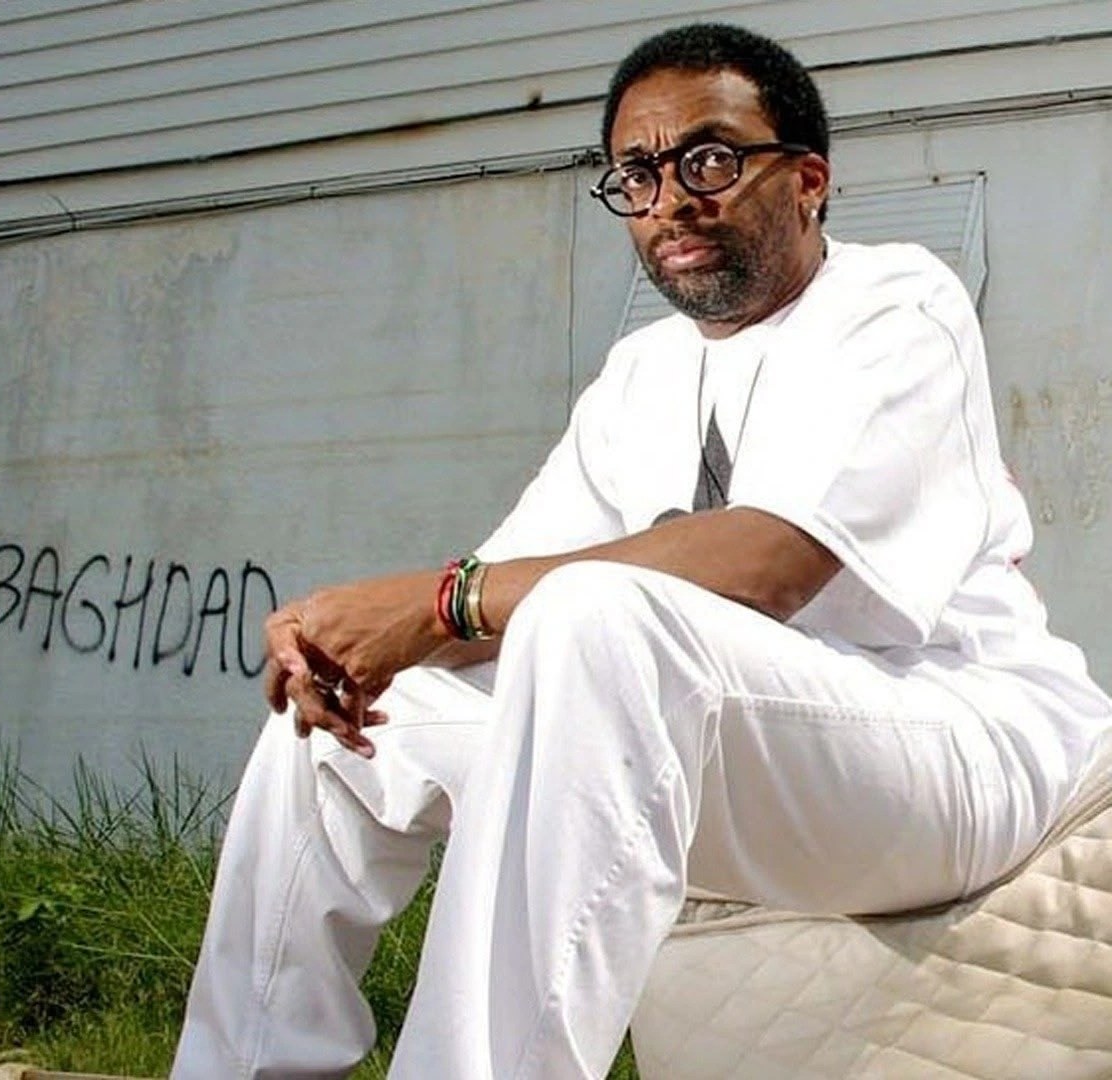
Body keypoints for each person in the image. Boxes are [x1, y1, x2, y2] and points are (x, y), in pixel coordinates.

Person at [171, 22, 1112, 1080]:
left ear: (809, 180)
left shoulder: (896, 304)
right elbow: (497, 606)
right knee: (363, 720)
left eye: (709, 159)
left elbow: (769, 564)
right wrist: (351, 638)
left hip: (954, 746)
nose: (671, 199)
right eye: (636, 174)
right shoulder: (640, 373)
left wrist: (438, 604)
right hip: (754, 759)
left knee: (595, 614)